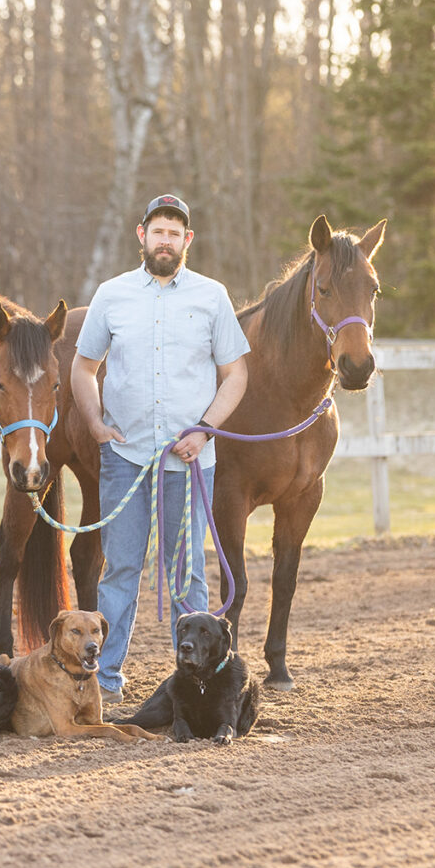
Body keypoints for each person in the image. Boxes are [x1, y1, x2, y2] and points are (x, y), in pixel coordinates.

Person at [71, 192, 250, 699]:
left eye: (175, 232)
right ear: (141, 236)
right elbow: (83, 368)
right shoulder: (112, 294)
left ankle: (201, 683)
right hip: (125, 457)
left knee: (187, 574)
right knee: (121, 568)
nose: (165, 240)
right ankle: (101, 682)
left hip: (188, 461)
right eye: (158, 231)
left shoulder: (212, 297)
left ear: (187, 240)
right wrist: (96, 424)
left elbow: (236, 373)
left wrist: (204, 428)